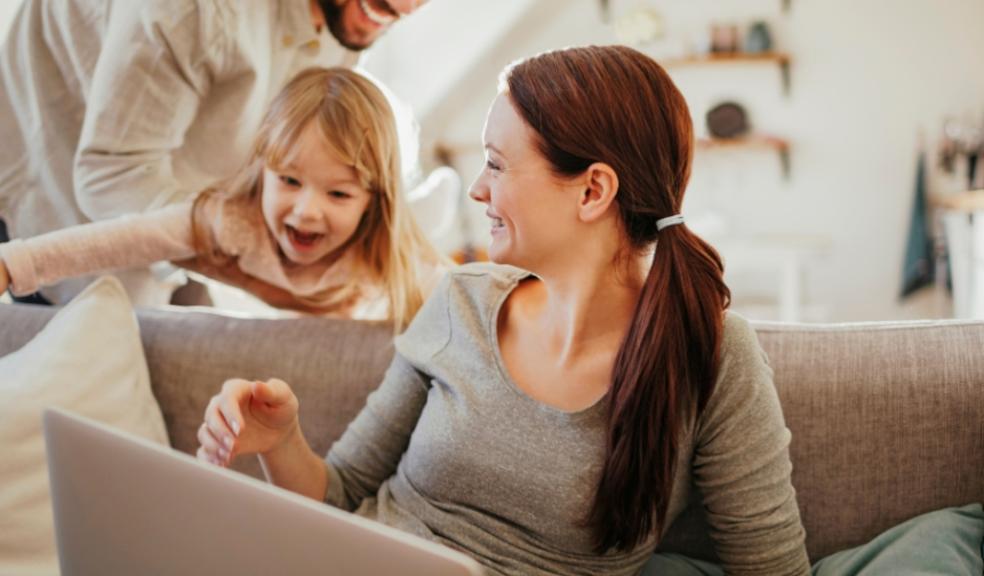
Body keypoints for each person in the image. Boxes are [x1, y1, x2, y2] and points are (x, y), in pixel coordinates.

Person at [195, 45, 811, 575]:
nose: (477, 188)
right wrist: (279, 441)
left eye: (496, 163)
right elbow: (340, 495)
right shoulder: (462, 300)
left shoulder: (710, 352)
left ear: (593, 191)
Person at [0, 0, 428, 306]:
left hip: (182, 193)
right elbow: (111, 177)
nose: (407, 8)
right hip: (55, 180)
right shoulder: (193, 10)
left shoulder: (355, 17)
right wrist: (252, 271)